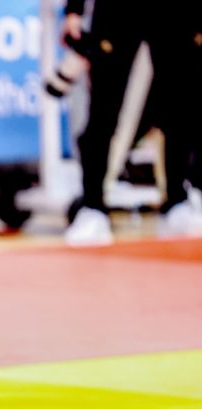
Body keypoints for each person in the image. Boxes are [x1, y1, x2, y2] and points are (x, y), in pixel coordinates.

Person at [63, 0, 202, 245]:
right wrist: (74, 10)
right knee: (103, 109)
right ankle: (92, 207)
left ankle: (176, 202)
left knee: (179, 108)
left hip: (175, 12)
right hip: (119, 10)